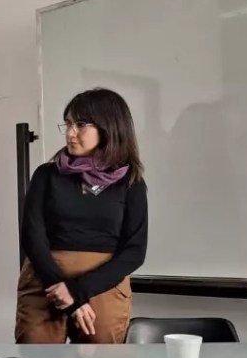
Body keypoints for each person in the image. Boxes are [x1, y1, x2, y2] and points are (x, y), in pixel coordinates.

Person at [15, 87, 148, 344]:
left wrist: (76, 291)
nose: (70, 133)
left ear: (108, 128)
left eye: (80, 125)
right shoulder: (46, 175)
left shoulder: (131, 183)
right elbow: (32, 236)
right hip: (46, 280)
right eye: (67, 124)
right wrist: (61, 288)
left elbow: (135, 251)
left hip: (103, 285)